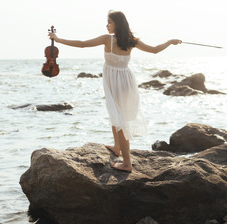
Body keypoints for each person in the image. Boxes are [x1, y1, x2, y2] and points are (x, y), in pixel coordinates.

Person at [49, 11, 182, 172]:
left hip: (117, 81)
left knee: (120, 120)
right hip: (124, 80)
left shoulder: (108, 39)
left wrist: (58, 39)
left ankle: (127, 163)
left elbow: (82, 44)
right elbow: (154, 49)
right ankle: (117, 147)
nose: (107, 25)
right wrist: (170, 42)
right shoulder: (130, 41)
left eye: (109, 22)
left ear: (117, 23)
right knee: (115, 114)